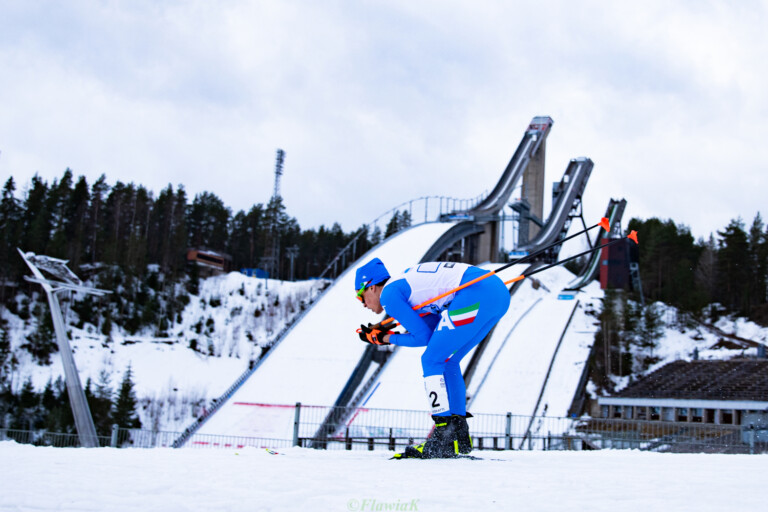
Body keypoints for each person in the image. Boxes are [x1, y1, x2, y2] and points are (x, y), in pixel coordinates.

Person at [355, 257, 510, 458]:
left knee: (430, 360)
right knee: (447, 360)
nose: (363, 304)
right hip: (495, 294)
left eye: (361, 297)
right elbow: (432, 333)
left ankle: (443, 435)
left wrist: (384, 338)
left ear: (372, 287)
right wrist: (385, 333)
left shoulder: (389, 295)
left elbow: (423, 337)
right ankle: (458, 435)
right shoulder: (403, 286)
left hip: (475, 292)